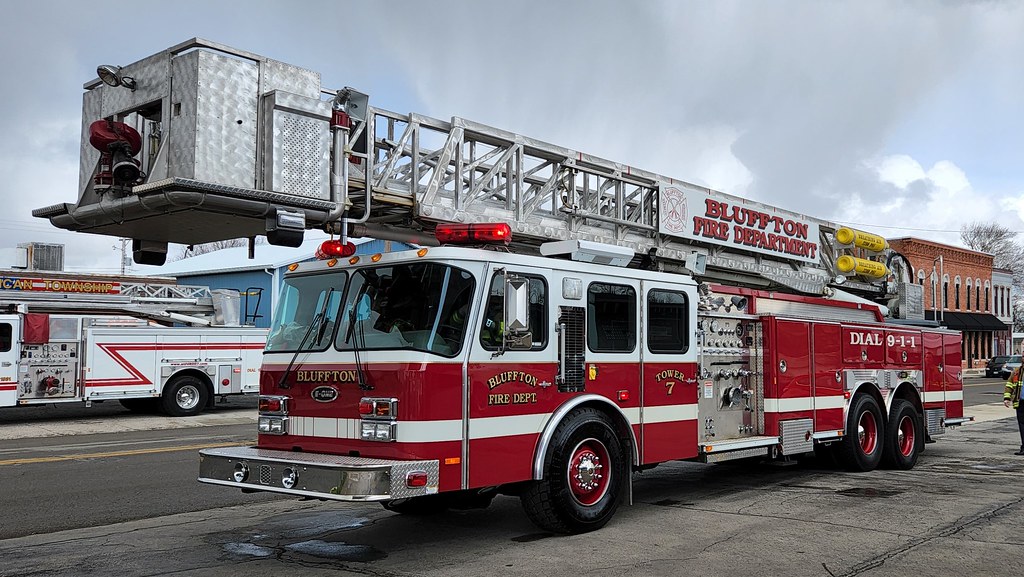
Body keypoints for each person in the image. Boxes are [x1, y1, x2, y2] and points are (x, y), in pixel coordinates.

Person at [1003, 364, 1024, 455]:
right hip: (1021, 403)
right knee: (1022, 427)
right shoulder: (1017, 372)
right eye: (1023, 356)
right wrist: (1007, 398)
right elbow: (1009, 385)